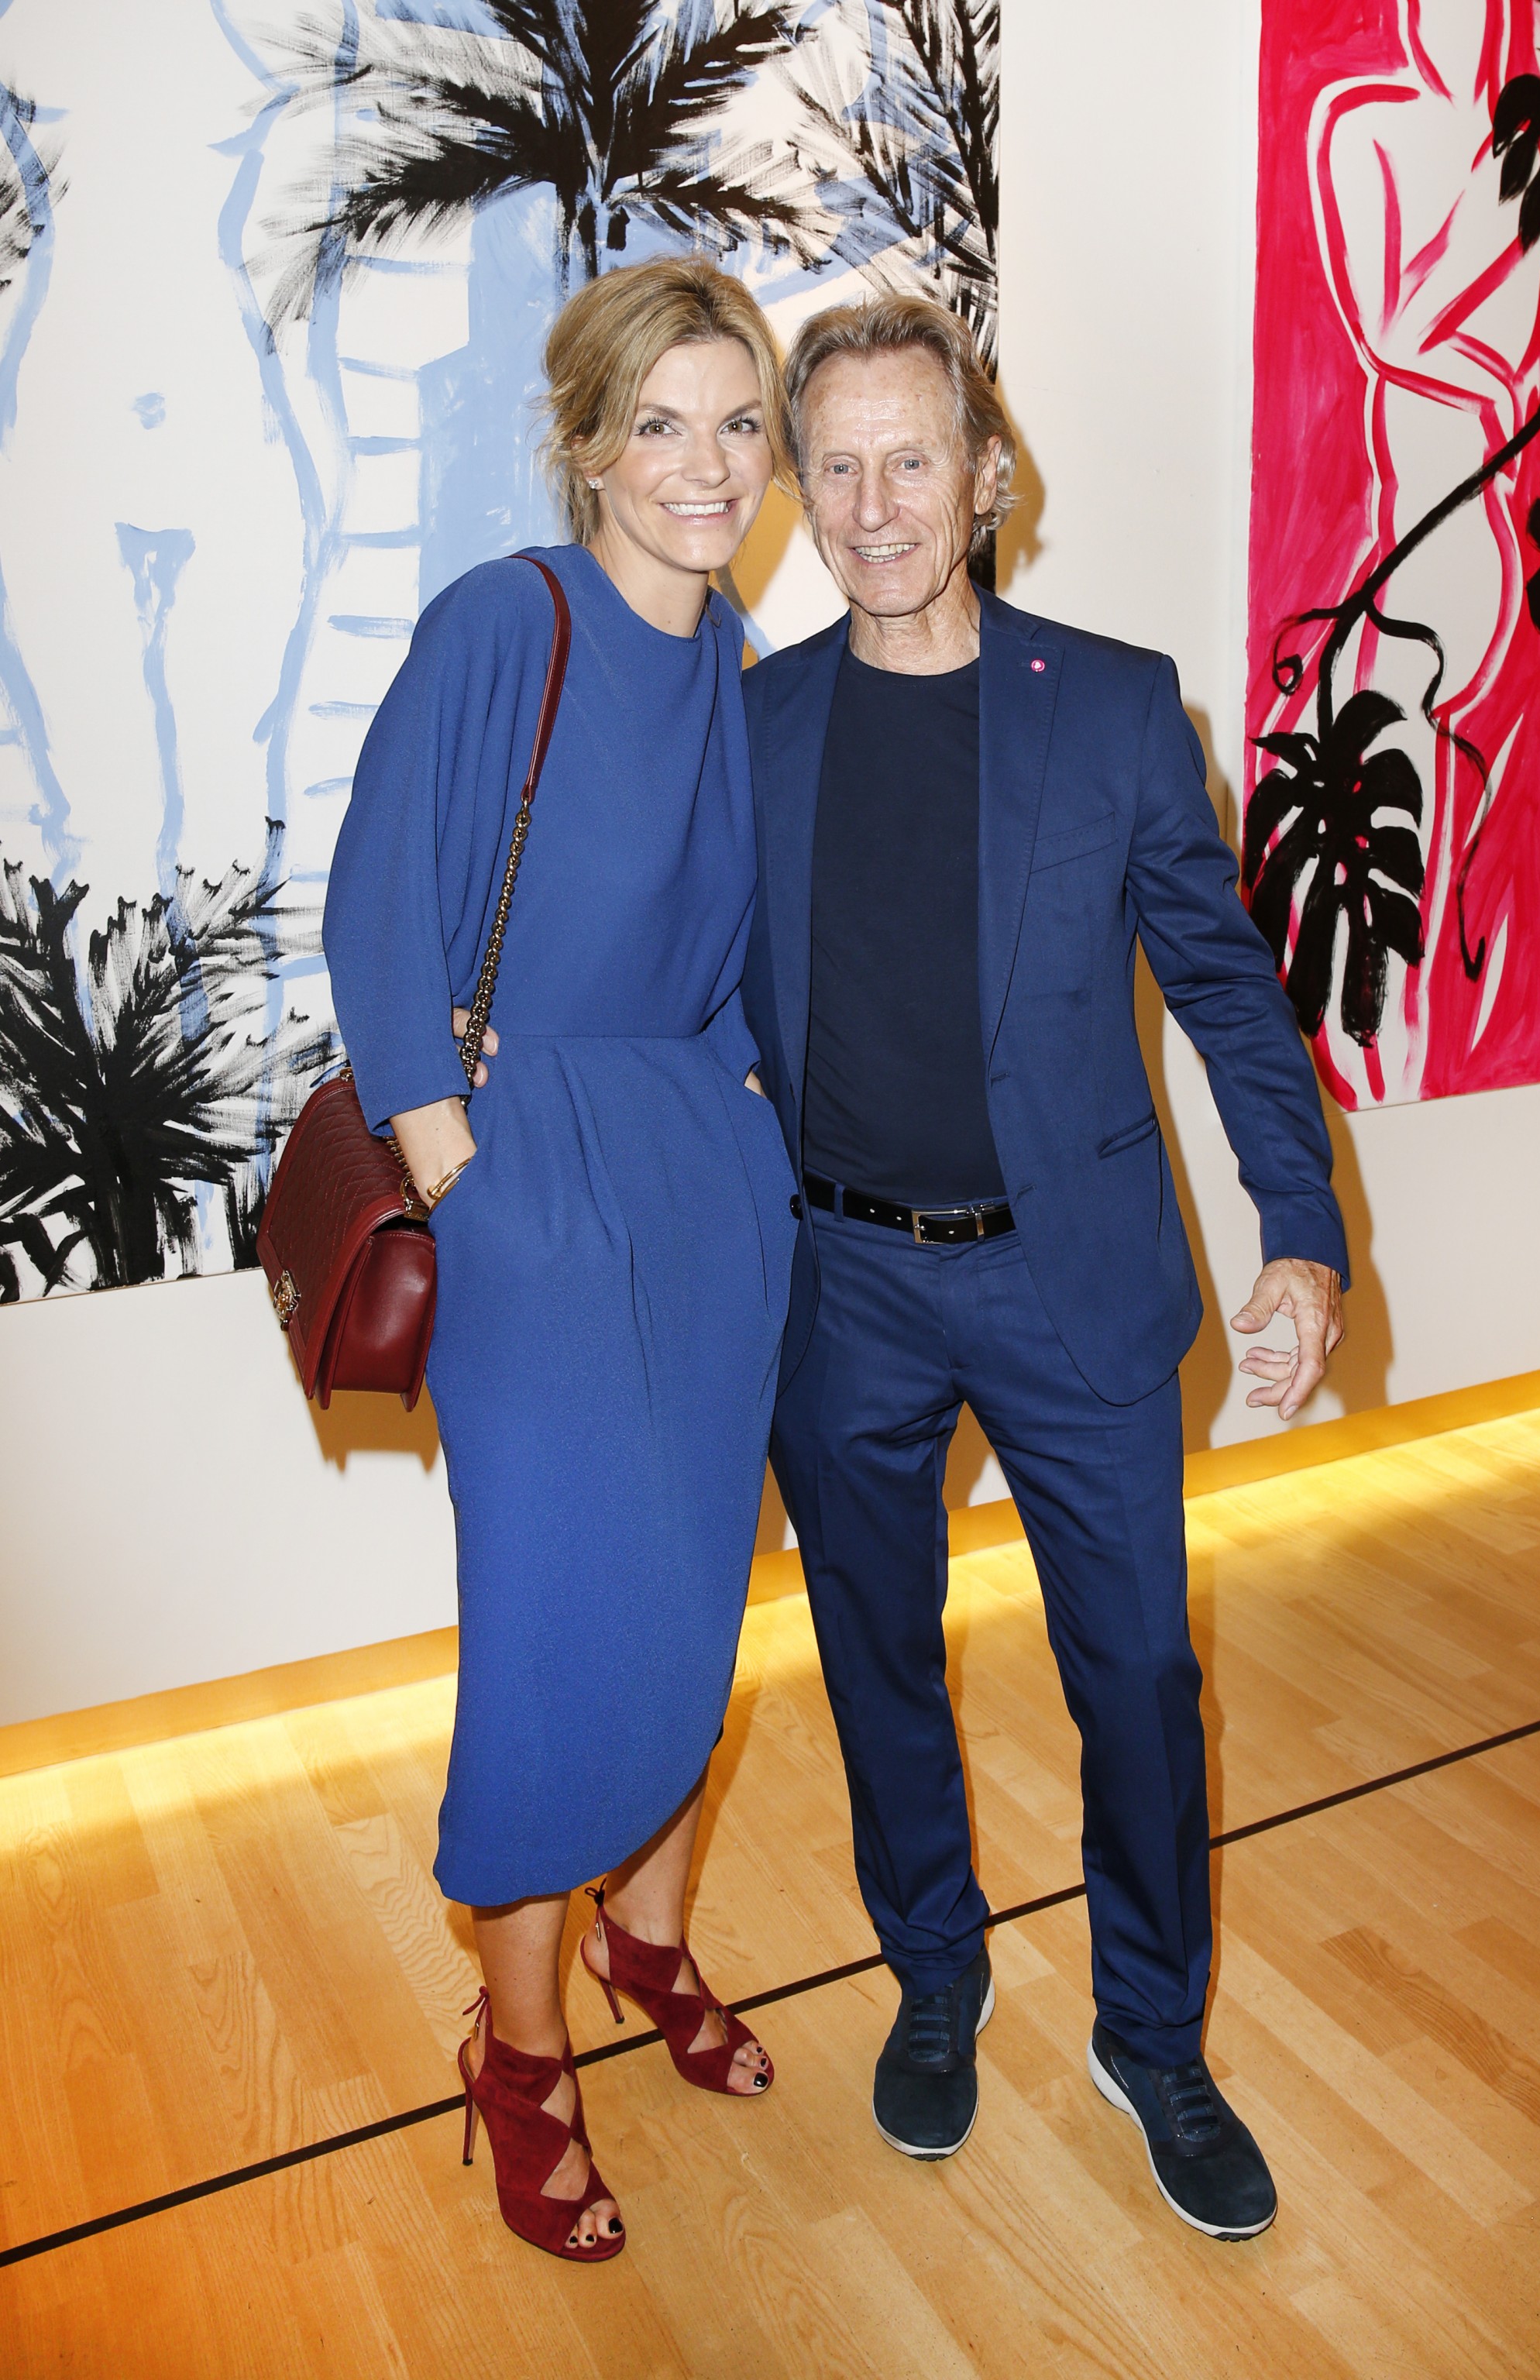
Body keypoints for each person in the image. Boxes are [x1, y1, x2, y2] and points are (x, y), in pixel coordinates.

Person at [739, 292, 1348, 2239]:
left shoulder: (1109, 705)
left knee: (1144, 1678)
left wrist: (1304, 1228)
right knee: (877, 1665)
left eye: (910, 458)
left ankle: (1151, 2036)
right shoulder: (750, 727)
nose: (872, 503)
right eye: (832, 465)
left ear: (985, 475)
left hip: (1067, 1283)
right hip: (844, 1285)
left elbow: (1233, 997)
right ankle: (934, 1971)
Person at [322, 259, 799, 2264]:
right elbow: (377, 924)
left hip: (708, 1188)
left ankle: (648, 1934)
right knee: (553, 1636)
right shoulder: (500, 624)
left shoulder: (739, 657)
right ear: (592, 444)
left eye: (739, 424)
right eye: (663, 425)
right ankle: (517, 2051)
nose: (707, 466)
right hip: (538, 1193)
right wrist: (467, 1172)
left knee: (697, 1617)